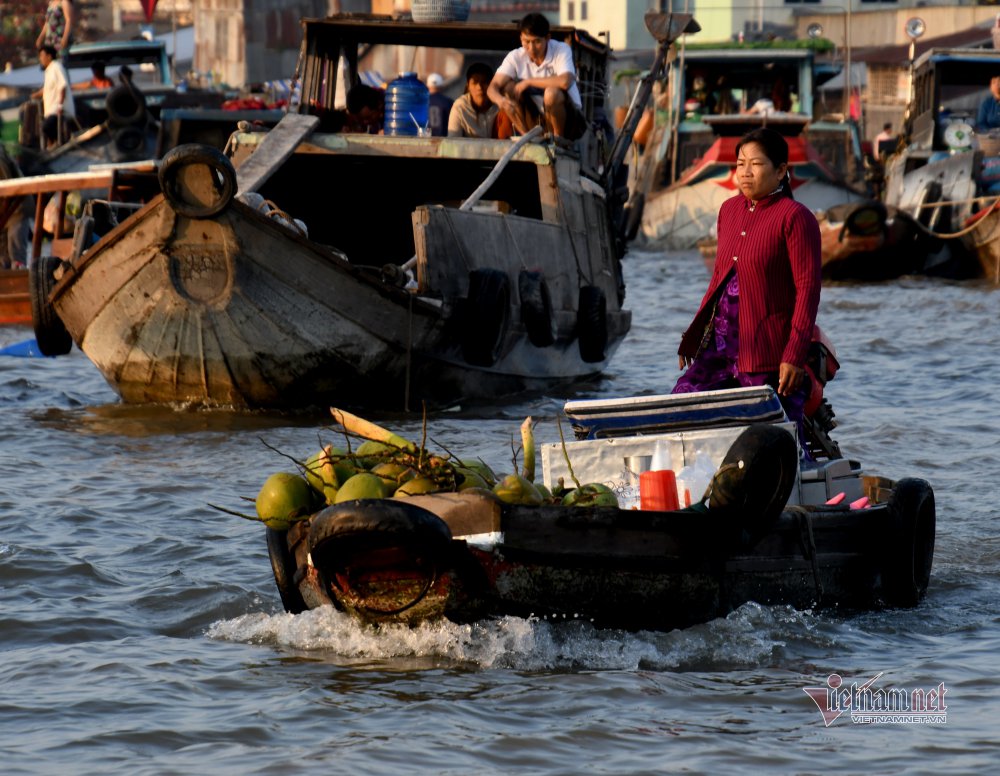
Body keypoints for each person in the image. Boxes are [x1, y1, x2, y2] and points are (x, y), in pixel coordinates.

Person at [672, 127, 822, 453]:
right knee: (682, 405)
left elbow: (808, 290)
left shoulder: (796, 218)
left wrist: (794, 357)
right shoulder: (728, 210)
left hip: (767, 352)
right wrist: (694, 334)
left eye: (755, 164)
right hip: (721, 346)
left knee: (779, 442)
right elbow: (719, 282)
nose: (745, 172)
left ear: (781, 170)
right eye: (740, 164)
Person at [487, 12, 586, 140]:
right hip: (536, 121)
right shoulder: (515, 56)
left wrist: (528, 82)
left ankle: (558, 140)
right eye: (526, 41)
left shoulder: (561, 50)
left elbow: (565, 81)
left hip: (569, 122)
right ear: (521, 38)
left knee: (551, 93)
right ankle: (526, 137)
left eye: (537, 41)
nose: (531, 48)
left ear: (548, 38)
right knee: (508, 88)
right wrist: (501, 101)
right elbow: (492, 88)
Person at [30, 44, 76, 148]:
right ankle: (52, 144)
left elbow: (62, 86)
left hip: (58, 109)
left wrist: (60, 105)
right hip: (50, 109)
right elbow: (48, 89)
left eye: (42, 55)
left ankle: (56, 144)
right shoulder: (48, 70)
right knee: (42, 127)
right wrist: (35, 94)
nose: (40, 59)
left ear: (49, 56)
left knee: (46, 126)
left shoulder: (56, 67)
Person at [448, 62, 499, 138]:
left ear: (491, 84)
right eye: (475, 82)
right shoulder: (460, 107)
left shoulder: (500, 105)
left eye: (484, 82)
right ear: (468, 86)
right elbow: (453, 140)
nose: (480, 87)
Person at [426, 73, 453, 137]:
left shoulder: (422, 102)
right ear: (441, 86)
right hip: (443, 139)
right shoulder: (448, 102)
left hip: (426, 139)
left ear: (428, 85)